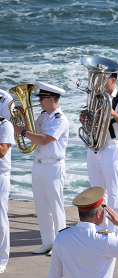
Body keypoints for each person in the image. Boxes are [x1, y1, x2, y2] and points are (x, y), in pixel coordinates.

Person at [13, 82, 69, 255]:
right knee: (42, 208)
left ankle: (61, 245)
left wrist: (22, 132)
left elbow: (44, 139)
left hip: (53, 166)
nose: (39, 101)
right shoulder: (44, 115)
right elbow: (32, 131)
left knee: (55, 207)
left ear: (52, 99)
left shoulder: (60, 119)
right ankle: (48, 242)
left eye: (42, 98)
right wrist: (24, 118)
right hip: (38, 165)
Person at [82, 73, 118, 235]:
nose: (100, 82)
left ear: (113, 80)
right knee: (96, 190)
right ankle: (100, 227)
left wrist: (112, 112)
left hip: (111, 146)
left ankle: (114, 230)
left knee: (112, 190)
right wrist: (84, 119)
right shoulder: (95, 98)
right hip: (94, 146)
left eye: (104, 78)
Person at [0, 114, 14, 273]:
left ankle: (2, 259)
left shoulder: (5, 125)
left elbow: (2, 151)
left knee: (1, 219)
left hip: (1, 176)